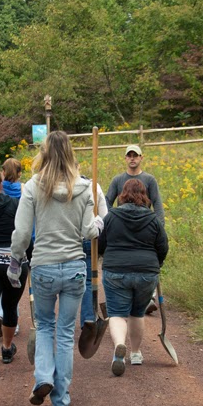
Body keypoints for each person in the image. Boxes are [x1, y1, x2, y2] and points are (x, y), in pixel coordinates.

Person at [8, 131, 103, 406]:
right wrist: (98, 223)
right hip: (75, 267)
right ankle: (61, 400)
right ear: (71, 153)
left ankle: (43, 378)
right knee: (64, 332)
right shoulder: (85, 188)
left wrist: (15, 261)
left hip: (44, 267)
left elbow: (23, 233)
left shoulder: (32, 187)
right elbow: (89, 232)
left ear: (44, 153)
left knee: (46, 326)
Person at [99, 178, 168, 375]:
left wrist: (105, 255)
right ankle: (136, 353)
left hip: (116, 271)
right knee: (137, 313)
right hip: (146, 272)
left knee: (117, 313)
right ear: (144, 196)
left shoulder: (111, 216)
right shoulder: (153, 219)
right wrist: (157, 263)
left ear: (122, 195)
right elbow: (163, 246)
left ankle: (119, 346)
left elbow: (101, 244)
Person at [106, 144, 164, 314]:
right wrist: (111, 219)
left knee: (147, 259)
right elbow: (107, 201)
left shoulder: (149, 180)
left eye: (135, 155)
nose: (132, 158)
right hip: (122, 228)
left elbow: (158, 204)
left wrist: (160, 227)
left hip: (144, 227)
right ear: (125, 158)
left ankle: (149, 297)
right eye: (129, 155)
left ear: (141, 158)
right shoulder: (117, 180)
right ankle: (129, 301)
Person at [0, 167, 29, 366]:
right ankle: (7, 349)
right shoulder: (15, 204)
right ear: (2, 184)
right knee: (10, 307)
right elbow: (24, 232)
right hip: (14, 261)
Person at [79, 163, 108, 329]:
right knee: (89, 281)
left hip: (70, 241)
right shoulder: (94, 187)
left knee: (73, 281)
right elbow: (105, 216)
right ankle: (88, 320)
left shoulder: (66, 188)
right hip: (90, 239)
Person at [0, 158, 24, 335]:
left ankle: (1, 313)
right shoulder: (23, 191)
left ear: (3, 172)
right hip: (19, 239)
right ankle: (12, 321)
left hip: (0, 238)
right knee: (14, 283)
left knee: (0, 282)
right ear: (20, 173)